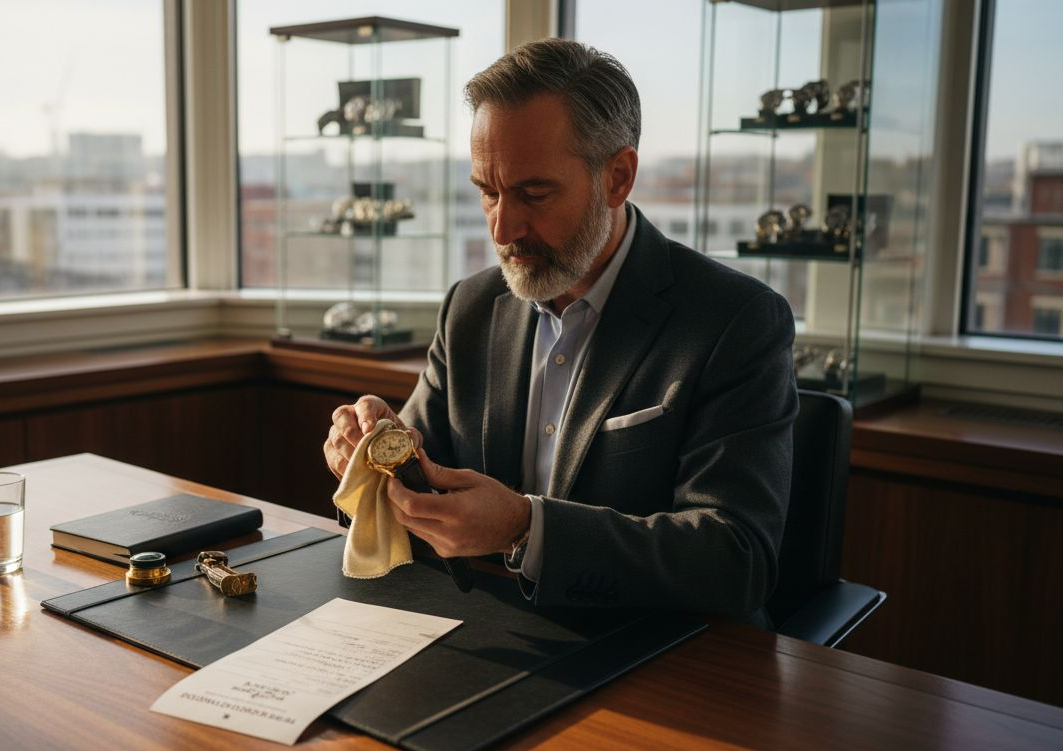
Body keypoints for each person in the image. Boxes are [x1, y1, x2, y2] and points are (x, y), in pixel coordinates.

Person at [323, 38, 797, 623]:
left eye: (533, 193)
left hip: (663, 660)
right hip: (492, 636)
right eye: (487, 192)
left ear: (618, 178)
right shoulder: (469, 307)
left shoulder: (736, 322)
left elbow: (736, 559)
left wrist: (527, 528)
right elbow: (417, 475)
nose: (502, 227)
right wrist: (370, 458)